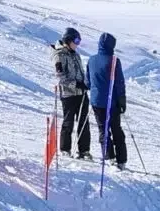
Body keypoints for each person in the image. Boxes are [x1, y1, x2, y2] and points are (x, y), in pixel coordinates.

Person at [88, 32, 129, 170]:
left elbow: (88, 82)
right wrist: (122, 100)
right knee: (116, 129)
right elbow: (119, 83)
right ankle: (121, 160)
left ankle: (109, 156)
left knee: (103, 129)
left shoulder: (91, 60)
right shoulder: (114, 61)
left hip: (96, 101)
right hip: (112, 103)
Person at [53, 27, 92, 160]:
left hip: (81, 93)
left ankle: (84, 151)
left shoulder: (75, 54)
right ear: (68, 40)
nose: (77, 44)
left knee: (84, 122)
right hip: (69, 94)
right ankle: (65, 149)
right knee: (68, 122)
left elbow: (80, 73)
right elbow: (60, 77)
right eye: (76, 40)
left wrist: (85, 83)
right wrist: (76, 84)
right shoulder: (59, 55)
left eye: (79, 41)